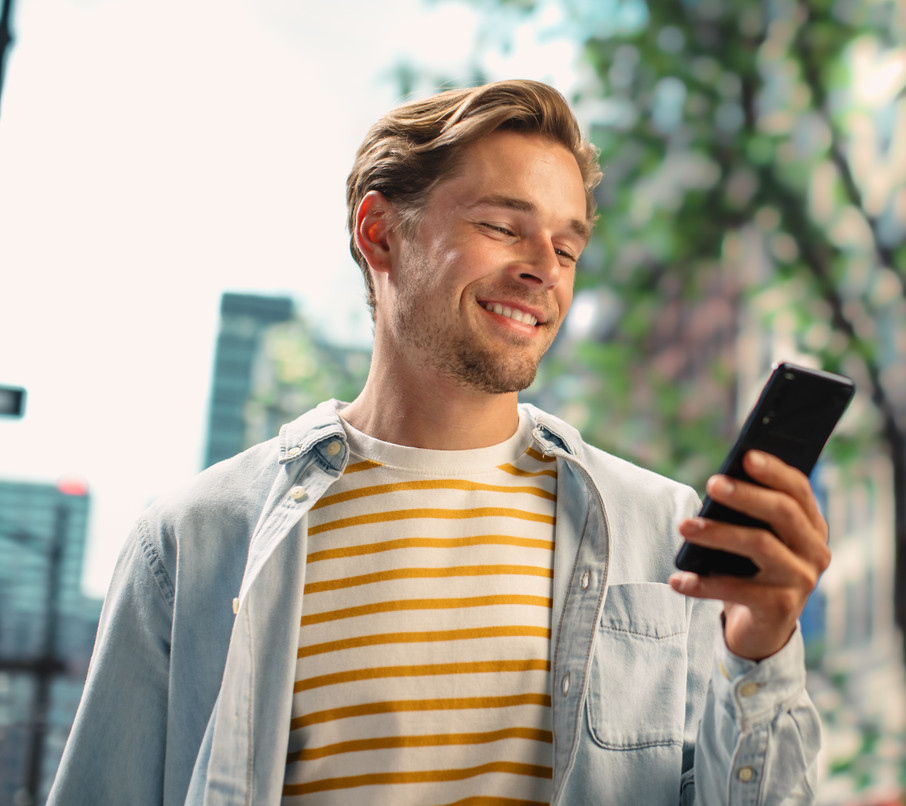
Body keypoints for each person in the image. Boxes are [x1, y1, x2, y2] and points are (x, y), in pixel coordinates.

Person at [49, 79, 829, 805]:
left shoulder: (662, 526)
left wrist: (761, 648)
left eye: (566, 248)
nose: (543, 272)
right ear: (380, 232)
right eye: (502, 226)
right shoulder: (194, 539)